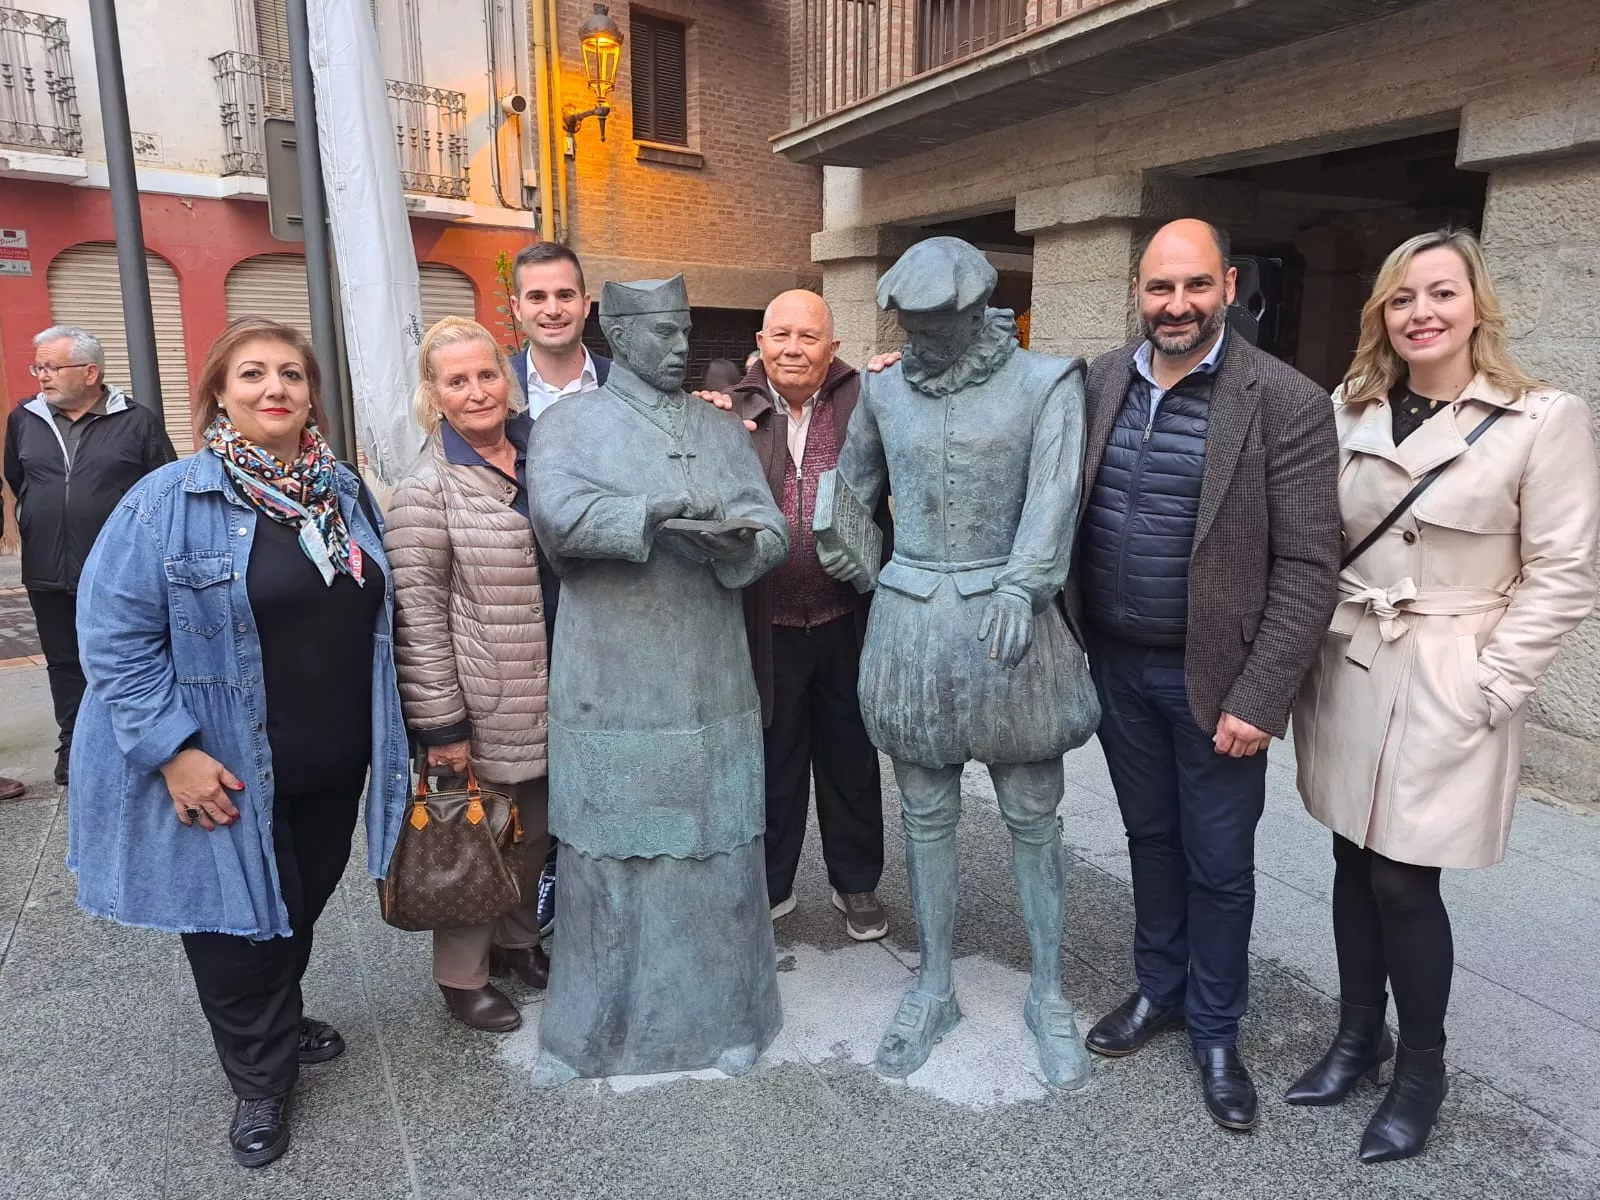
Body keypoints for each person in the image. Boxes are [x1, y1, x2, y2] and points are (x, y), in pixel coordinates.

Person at [1286, 228, 1600, 1162]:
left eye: (1441, 294)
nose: (1421, 312)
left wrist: (1496, 683)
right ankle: (1357, 1035)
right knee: (1351, 858)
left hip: (1451, 667)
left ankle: (1421, 1067)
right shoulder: (1351, 409)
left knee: (1405, 878)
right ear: (1381, 314)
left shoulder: (1542, 417)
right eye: (1401, 297)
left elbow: (1565, 570)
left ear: (1476, 306)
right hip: (1352, 660)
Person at [65, 318, 409, 1168]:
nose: (274, 389)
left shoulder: (342, 491)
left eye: (291, 374)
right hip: (223, 761)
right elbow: (111, 638)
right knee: (232, 928)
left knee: (293, 905)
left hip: (333, 760)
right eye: (252, 374)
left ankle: (276, 1019)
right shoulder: (169, 500)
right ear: (219, 391)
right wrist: (172, 751)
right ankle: (260, 1078)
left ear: (310, 395)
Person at [1068, 219, 1341, 1131]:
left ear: (1227, 284)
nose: (1175, 306)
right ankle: (1160, 991)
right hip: (1117, 667)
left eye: (1192, 286)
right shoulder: (1100, 380)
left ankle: (1217, 1030)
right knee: (1150, 839)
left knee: (1219, 865)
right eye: (1157, 289)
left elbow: (1308, 566)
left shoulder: (1288, 401)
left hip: (1218, 682)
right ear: (1136, 293)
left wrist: (1261, 694)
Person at [823, 237, 1099, 1089]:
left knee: (1030, 809)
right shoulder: (882, 390)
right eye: (909, 325)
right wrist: (858, 556)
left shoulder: (1046, 383)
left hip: (1010, 617)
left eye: (934, 326)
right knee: (924, 811)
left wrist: (1025, 586)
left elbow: (1055, 495)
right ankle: (934, 984)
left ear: (977, 313)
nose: (918, 341)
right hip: (913, 621)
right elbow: (852, 483)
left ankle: (1048, 992)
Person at [527, 274, 790, 1083]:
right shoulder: (570, 425)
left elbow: (770, 521)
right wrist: (656, 510)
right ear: (621, 332)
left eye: (686, 332)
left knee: (717, 848)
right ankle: (591, 1032)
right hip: (609, 671)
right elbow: (558, 522)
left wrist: (743, 543)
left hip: (707, 668)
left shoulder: (720, 430)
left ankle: (732, 1018)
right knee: (607, 855)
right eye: (667, 334)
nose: (683, 348)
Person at [385, 316, 553, 1033]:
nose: (477, 391)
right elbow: (417, 615)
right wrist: (442, 725)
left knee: (536, 832)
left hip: (556, 687)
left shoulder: (540, 450)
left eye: (487, 375)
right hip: (487, 699)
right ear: (435, 393)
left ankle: (519, 943)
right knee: (478, 836)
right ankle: (462, 976)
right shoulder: (428, 487)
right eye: (458, 380)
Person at [727, 290, 890, 940]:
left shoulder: (867, 401)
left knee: (851, 755)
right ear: (761, 343)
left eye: (808, 337)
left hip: (845, 616)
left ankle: (858, 885)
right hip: (764, 623)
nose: (793, 348)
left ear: (833, 348)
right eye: (782, 335)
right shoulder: (730, 408)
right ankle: (772, 886)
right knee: (773, 755)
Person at [4, 325, 175, 785]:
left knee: (127, 656)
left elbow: (162, 491)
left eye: (52, 367)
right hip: (46, 569)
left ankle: (135, 743)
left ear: (90, 371)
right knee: (63, 662)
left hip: (117, 571)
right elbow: (20, 481)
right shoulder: (25, 418)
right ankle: (75, 750)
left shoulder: (137, 421)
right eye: (37, 367)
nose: (41, 377)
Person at [506, 241, 613, 935]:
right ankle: (537, 899)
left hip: (612, 604)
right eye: (537, 297)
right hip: (519, 607)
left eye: (564, 295)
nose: (552, 309)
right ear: (516, 309)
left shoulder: (624, 385)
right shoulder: (492, 389)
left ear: (585, 304)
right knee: (532, 769)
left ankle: (602, 894)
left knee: (606, 754)